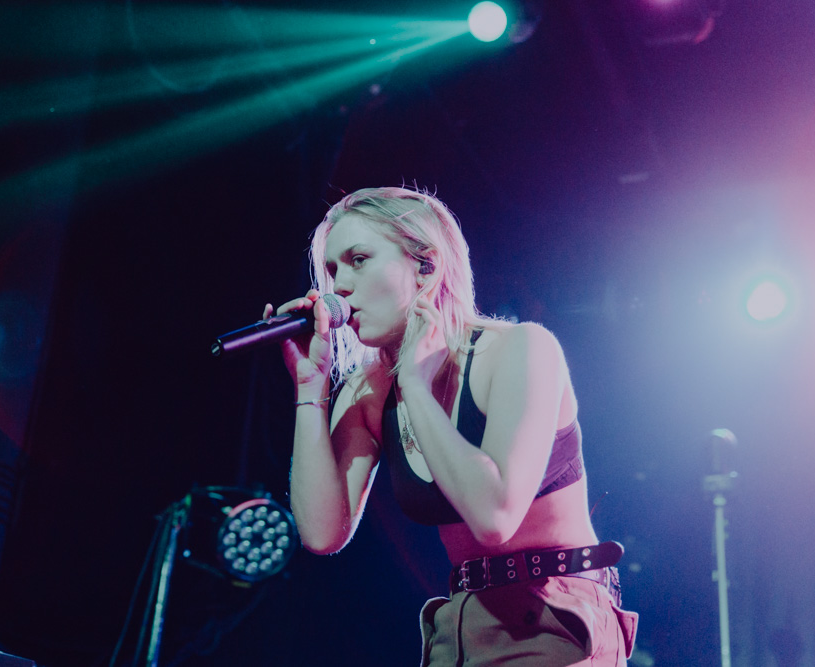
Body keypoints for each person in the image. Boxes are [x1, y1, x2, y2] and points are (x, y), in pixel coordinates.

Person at [265, 186, 637, 665]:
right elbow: (321, 534)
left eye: (358, 259)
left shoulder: (520, 350)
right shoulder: (367, 391)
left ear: (426, 266)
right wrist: (310, 390)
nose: (339, 287)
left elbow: (493, 517)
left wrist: (416, 388)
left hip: (554, 617)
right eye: (332, 270)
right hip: (461, 623)